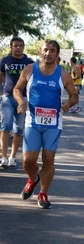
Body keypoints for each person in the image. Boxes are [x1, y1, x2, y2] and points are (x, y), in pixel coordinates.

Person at [13, 39, 79, 209]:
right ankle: (34, 178)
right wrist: (21, 101)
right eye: (45, 50)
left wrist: (69, 103)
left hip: (53, 123)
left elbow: (74, 95)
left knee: (48, 158)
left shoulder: (63, 74)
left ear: (57, 54)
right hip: (32, 122)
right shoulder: (30, 70)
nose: (48, 53)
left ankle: (43, 193)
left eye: (52, 50)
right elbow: (17, 89)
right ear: (40, 51)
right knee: (28, 161)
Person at [0, 37, 34, 167]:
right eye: (15, 45)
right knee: (5, 125)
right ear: (11, 47)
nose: (18, 48)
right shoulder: (5, 60)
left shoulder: (29, 63)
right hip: (7, 96)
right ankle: (3, 157)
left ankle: (13, 157)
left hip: (23, 99)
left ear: (23, 47)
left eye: (20, 45)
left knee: (19, 129)